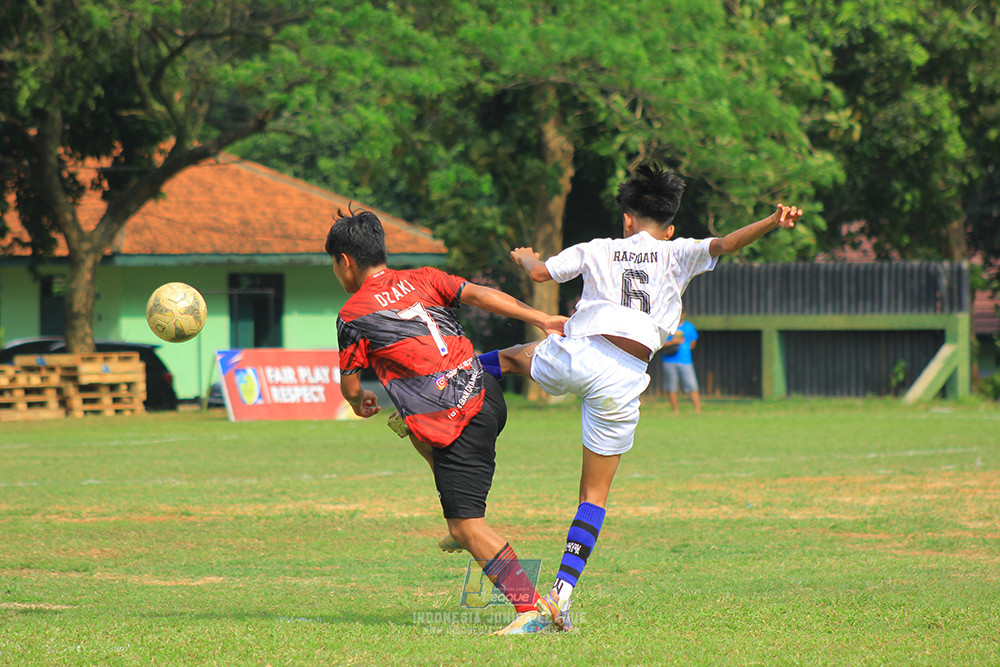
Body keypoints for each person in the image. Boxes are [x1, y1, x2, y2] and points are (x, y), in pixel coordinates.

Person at [484, 163, 802, 630]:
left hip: (583, 351)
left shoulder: (599, 248)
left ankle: (438, 390)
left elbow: (539, 275)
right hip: (626, 377)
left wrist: (523, 256)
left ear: (627, 219)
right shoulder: (680, 252)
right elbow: (729, 243)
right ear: (669, 227)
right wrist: (773, 222)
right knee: (593, 494)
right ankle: (561, 594)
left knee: (507, 358)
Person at [325, 206, 568, 635]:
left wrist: (362, 399)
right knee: (410, 421)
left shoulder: (352, 315)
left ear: (345, 261)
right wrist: (542, 318)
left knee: (468, 523)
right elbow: (480, 296)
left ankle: (532, 610)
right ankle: (460, 523)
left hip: (460, 418)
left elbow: (349, 388)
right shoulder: (424, 277)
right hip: (486, 392)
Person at [662, 311, 701, 413]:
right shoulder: (667, 326)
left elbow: (693, 343)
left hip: (685, 361)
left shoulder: (689, 327)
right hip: (669, 360)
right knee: (672, 386)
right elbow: (660, 344)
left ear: (683, 315)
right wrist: (673, 343)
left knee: (692, 385)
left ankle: (697, 410)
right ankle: (675, 410)